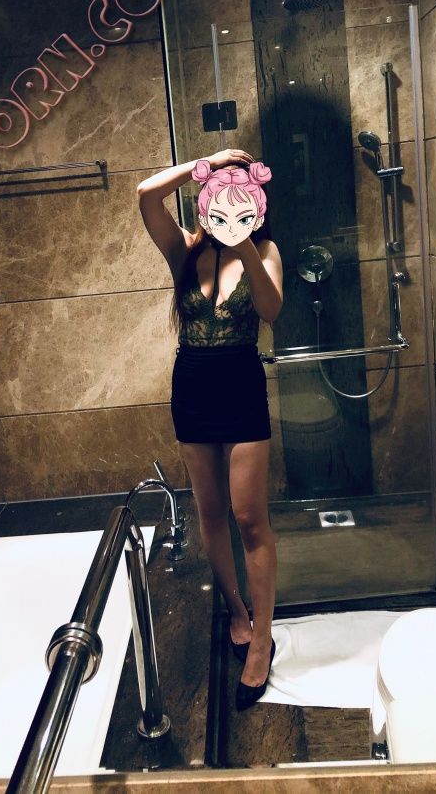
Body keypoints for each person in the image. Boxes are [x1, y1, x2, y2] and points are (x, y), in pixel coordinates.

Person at [136, 148, 283, 710]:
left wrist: (242, 241)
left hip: (241, 384)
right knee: (211, 513)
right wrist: (208, 161)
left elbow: (270, 310)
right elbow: (146, 194)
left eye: (240, 199)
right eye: (219, 198)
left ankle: (262, 638)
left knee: (249, 517)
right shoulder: (184, 249)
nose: (228, 207)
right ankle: (237, 613)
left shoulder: (265, 251)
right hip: (193, 386)